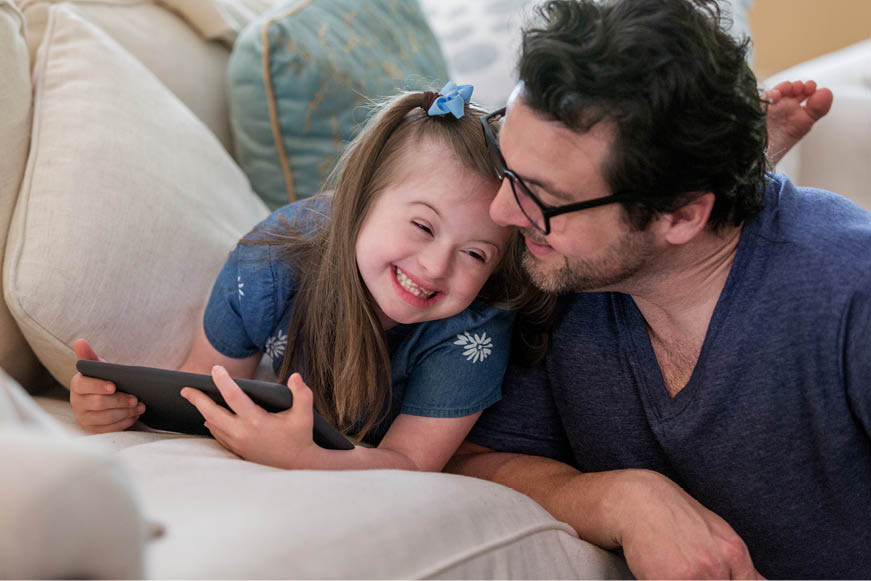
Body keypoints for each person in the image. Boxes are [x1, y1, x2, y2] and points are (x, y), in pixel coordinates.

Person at [445, 1, 870, 579]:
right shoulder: (559, 279)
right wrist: (626, 499)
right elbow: (470, 461)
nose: (501, 210)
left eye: (542, 197)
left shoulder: (849, 292)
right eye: (506, 165)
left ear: (681, 216)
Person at [69, 83, 552, 473]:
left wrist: (305, 459)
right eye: (422, 226)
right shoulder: (267, 264)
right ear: (360, 199)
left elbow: (410, 461)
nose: (435, 267)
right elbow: (204, 391)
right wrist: (122, 409)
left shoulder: (474, 326)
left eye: (474, 253)